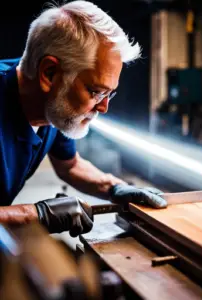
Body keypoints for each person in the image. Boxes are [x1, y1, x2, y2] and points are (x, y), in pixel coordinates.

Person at [0, 0, 167, 237]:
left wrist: (116, 188)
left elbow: (70, 165)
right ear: (49, 73)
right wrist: (36, 215)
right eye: (95, 91)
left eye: (110, 93)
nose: (104, 107)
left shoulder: (51, 105)